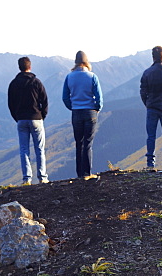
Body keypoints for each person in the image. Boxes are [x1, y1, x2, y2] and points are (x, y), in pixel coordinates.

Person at [62, 50, 103, 181]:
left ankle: (79, 174)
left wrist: (73, 107)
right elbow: (99, 98)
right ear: (86, 62)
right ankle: (87, 173)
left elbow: (65, 98)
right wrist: (96, 109)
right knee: (88, 143)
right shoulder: (92, 76)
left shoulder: (69, 77)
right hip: (90, 112)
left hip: (76, 113)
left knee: (78, 143)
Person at [7, 56, 49, 184]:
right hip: (36, 118)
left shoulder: (13, 84)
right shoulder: (36, 82)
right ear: (29, 67)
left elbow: (11, 104)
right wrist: (42, 116)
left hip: (21, 120)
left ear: (19, 67)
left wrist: (17, 117)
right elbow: (45, 101)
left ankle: (27, 179)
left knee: (24, 150)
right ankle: (42, 177)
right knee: (39, 149)